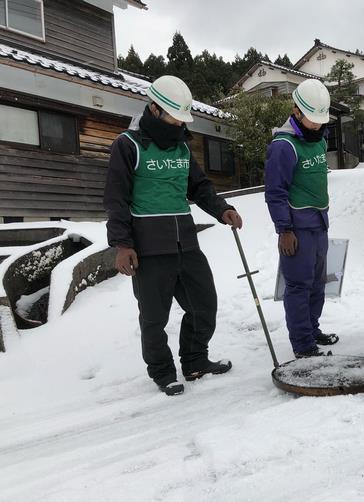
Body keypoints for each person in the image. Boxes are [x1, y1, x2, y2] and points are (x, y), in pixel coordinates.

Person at [104, 75, 243, 395]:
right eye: (173, 117)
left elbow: (200, 186)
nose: (179, 124)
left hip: (186, 242)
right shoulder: (127, 145)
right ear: (154, 109)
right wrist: (123, 244)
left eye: (183, 119)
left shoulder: (181, 147)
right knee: (154, 317)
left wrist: (222, 210)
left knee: (203, 304)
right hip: (149, 246)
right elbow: (116, 199)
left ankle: (195, 361)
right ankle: (163, 371)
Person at [264, 79, 339, 358]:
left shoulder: (319, 139)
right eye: (312, 120)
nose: (317, 125)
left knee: (318, 282)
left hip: (319, 224)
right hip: (296, 229)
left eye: (321, 120)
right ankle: (303, 344)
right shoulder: (283, 146)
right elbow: (275, 192)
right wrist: (284, 229)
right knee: (298, 285)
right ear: (296, 111)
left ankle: (312, 328)